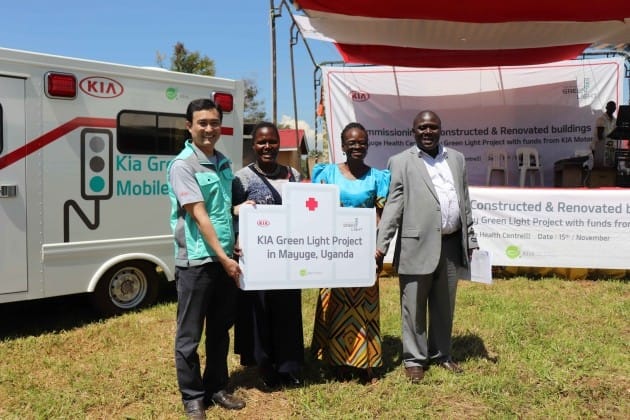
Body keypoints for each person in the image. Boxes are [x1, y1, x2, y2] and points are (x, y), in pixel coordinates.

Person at [375, 110, 478, 383]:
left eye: (432, 127)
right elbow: (393, 206)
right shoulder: (400, 162)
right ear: (413, 131)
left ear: (441, 129)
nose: (427, 132)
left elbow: (464, 202)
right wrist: (380, 246)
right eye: (422, 127)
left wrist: (471, 239)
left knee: (445, 306)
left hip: (451, 244)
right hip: (415, 246)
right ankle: (414, 359)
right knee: (413, 306)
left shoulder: (456, 159)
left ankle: (442, 354)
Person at [167, 98, 245, 419]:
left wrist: (247, 216)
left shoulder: (224, 163)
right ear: (189, 126)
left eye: (214, 123)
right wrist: (225, 259)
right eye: (202, 123)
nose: (209, 129)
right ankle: (193, 397)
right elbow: (200, 216)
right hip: (197, 262)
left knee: (219, 329)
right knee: (189, 334)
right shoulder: (183, 166)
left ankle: (216, 387)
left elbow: (225, 210)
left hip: (224, 258)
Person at [311, 122, 390, 384]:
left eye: (362, 142)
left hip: (363, 254)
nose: (357, 146)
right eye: (351, 142)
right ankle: (337, 363)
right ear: (343, 146)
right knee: (334, 306)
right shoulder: (326, 173)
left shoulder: (377, 178)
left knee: (363, 308)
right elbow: (315, 210)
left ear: (368, 144)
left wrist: (378, 250)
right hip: (333, 251)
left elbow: (381, 215)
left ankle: (365, 364)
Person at [232, 121, 304, 389]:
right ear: (253, 145)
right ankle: (265, 367)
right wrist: (237, 240)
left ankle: (289, 367)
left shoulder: (294, 175)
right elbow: (233, 213)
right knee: (259, 312)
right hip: (257, 261)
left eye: (272, 141)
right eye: (261, 142)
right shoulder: (242, 178)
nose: (267, 147)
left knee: (288, 312)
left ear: (279, 143)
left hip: (289, 258)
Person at [590, 101, 617, 168]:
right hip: (599, 148)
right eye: (610, 106)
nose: (612, 108)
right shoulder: (601, 119)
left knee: (608, 169)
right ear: (606, 107)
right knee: (599, 169)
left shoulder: (615, 120)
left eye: (614, 107)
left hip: (609, 148)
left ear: (615, 109)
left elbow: (615, 134)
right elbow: (600, 136)